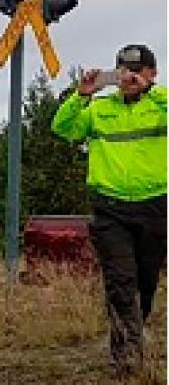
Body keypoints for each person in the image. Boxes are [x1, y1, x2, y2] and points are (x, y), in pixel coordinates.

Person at [51, 44, 167, 375]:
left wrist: (151, 91)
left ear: (150, 73)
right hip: (110, 209)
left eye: (135, 70)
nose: (127, 77)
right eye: (122, 70)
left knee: (144, 285)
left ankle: (128, 338)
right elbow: (62, 128)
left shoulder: (161, 105)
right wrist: (81, 95)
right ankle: (127, 360)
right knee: (121, 281)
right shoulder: (100, 109)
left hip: (154, 207)